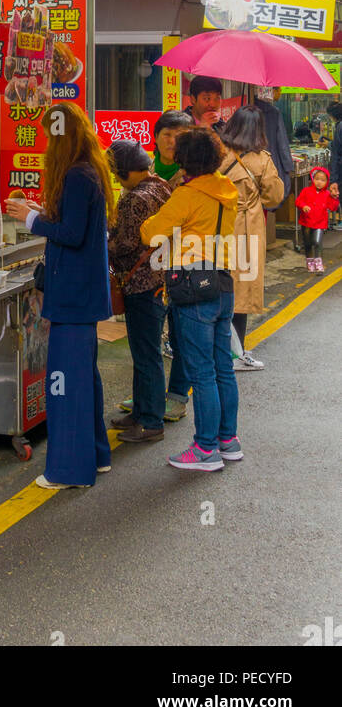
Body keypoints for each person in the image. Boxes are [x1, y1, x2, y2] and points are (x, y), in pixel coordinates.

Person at [5, 102, 116, 489]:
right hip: (83, 296)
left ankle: (69, 470)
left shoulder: (75, 176)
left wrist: (31, 218)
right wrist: (42, 213)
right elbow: (76, 224)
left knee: (65, 383)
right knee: (85, 379)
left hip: (72, 297)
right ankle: (97, 455)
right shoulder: (89, 172)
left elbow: (71, 233)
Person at [140, 128, 240, 472]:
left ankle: (205, 449)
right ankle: (228, 440)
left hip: (192, 285)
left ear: (184, 160)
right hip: (223, 281)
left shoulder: (187, 195)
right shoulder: (228, 191)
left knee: (201, 373)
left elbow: (150, 232)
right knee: (223, 368)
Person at [106, 141, 172, 444]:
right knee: (146, 353)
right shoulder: (161, 187)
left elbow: (125, 245)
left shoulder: (135, 199)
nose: (118, 180)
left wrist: (102, 245)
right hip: (160, 280)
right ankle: (142, 412)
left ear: (126, 171)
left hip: (141, 284)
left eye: (118, 174)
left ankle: (151, 421)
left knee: (146, 356)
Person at [217, 107, 284, 372]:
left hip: (217, 225)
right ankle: (236, 353)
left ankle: (221, 348)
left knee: (218, 284)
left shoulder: (218, 154)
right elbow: (274, 197)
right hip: (245, 228)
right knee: (240, 291)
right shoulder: (262, 160)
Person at [295, 166, 339, 273]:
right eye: (317, 179)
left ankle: (318, 261)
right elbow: (298, 201)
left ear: (327, 182)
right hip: (306, 221)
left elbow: (333, 207)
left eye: (322, 180)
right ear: (312, 179)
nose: (319, 182)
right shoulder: (306, 191)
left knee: (317, 241)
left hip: (320, 222)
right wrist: (303, 206)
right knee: (308, 242)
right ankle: (309, 260)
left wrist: (334, 198)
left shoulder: (327, 194)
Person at [255, 87, 295, 202]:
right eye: (278, 90)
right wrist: (288, 167)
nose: (280, 93)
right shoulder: (273, 112)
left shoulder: (244, 111)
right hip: (269, 164)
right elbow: (282, 143)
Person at [152, 110, 195, 187]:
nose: (172, 141)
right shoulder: (141, 172)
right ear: (156, 137)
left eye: (179, 136)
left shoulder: (195, 176)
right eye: (167, 134)